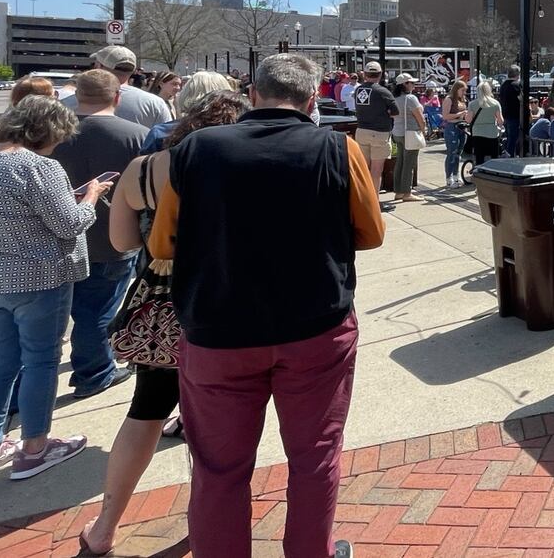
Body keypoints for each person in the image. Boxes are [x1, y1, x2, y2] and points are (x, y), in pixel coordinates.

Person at [146, 53, 384, 558]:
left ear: (251, 95)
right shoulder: (338, 148)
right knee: (314, 456)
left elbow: (162, 245)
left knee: (217, 467)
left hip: (218, 331)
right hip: (316, 327)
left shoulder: (195, 150)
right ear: (312, 99)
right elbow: (371, 232)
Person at [80, 91, 250, 556]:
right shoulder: (244, 169)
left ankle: (104, 528)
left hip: (163, 305)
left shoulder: (145, 170)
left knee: (146, 412)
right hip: (226, 304)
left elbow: (121, 242)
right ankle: (209, 523)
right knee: (212, 426)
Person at [0, 96, 110, 486]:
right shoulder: (40, 166)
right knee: (41, 360)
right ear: (49, 130)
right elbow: (69, 224)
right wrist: (91, 196)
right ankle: (35, 448)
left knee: (0, 360)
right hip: (37, 279)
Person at [51, 70, 149, 400]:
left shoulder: (51, 135)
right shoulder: (138, 135)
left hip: (56, 240)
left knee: (67, 314)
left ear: (77, 95)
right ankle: (94, 373)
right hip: (114, 239)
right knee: (96, 312)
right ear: (118, 97)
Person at [64, 47, 172, 128]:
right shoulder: (155, 103)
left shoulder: (67, 103)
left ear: (98, 66)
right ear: (133, 71)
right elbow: (166, 140)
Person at [141, 71, 237, 154]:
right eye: (174, 84)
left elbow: (142, 170)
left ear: (187, 94)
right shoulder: (242, 134)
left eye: (180, 85)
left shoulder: (162, 133)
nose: (178, 88)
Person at [351, 61, 399, 193]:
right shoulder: (383, 91)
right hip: (379, 132)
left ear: (365, 74)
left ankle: (362, 198)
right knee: (376, 171)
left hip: (361, 131)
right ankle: (373, 202)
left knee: (363, 168)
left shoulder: (358, 90)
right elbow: (395, 112)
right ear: (380, 75)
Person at [390, 74, 428, 202]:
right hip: (410, 133)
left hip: (397, 132)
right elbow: (420, 118)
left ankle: (398, 191)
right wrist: (424, 131)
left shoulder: (394, 98)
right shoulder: (411, 98)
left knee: (400, 161)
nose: (413, 85)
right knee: (409, 163)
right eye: (411, 82)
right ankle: (407, 192)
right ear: (405, 84)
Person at [467, 81, 503, 166]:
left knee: (479, 158)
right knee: (494, 157)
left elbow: (468, 120)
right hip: (492, 133)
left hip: (478, 133)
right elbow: (500, 120)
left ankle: (480, 175)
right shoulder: (495, 103)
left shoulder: (472, 104)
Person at [442, 80, 468, 187]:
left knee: (458, 153)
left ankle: (456, 175)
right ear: (456, 89)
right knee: (451, 152)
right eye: (462, 90)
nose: (464, 93)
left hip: (462, 126)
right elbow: (445, 116)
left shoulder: (462, 99)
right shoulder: (449, 99)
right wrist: (459, 114)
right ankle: (449, 178)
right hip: (452, 126)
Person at [499, 65, 523, 157]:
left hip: (505, 114)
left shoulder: (503, 85)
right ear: (517, 74)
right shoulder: (516, 85)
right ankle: (510, 156)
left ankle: (508, 154)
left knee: (509, 137)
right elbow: (520, 99)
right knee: (513, 138)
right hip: (514, 115)